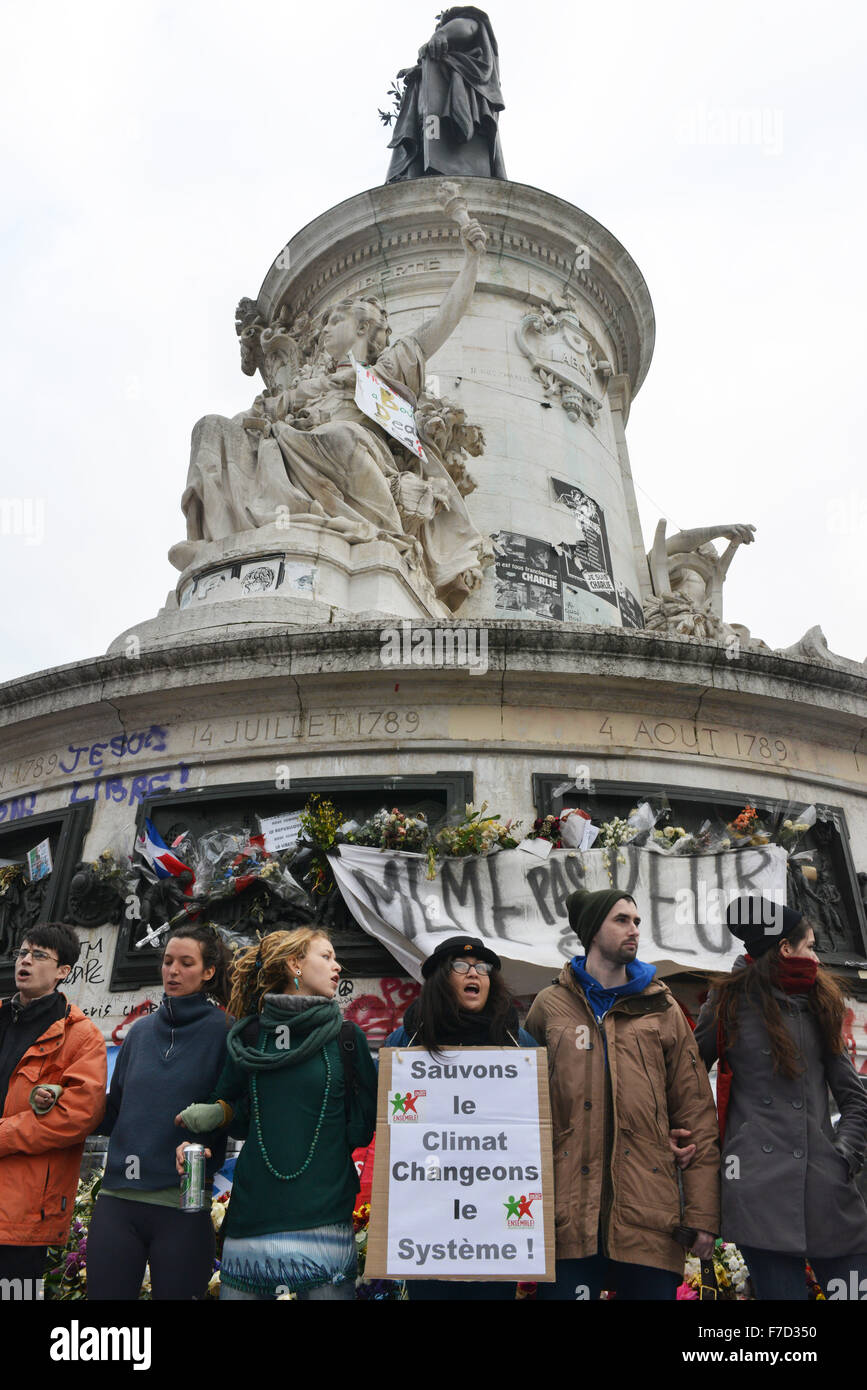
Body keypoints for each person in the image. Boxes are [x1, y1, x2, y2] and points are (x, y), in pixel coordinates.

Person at [525, 889, 720, 1300]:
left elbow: (696, 1113)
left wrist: (703, 1214)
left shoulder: (663, 1009)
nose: (634, 929)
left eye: (636, 921)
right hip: (568, 1220)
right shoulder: (549, 1007)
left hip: (648, 1220)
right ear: (593, 930)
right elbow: (523, 1110)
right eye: (622, 920)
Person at [177, 927, 377, 1301]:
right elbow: (232, 1110)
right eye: (326, 956)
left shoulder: (347, 1038)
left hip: (325, 1218)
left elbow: (364, 1127)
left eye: (336, 959)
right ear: (294, 965)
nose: (338, 966)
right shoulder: (251, 1035)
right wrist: (208, 1120)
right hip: (253, 1214)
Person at [695, 896, 867, 1300]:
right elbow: (687, 1082)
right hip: (759, 1192)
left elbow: (855, 1099)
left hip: (826, 1184)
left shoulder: (821, 1003)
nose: (818, 959)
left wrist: (845, 1156)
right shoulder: (727, 1002)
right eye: (810, 946)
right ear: (785, 949)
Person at [384, 934, 537, 1300]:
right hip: (427, 1220)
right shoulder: (404, 1043)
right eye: (462, 966)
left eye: (483, 968)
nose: (475, 973)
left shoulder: (521, 1046)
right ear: (440, 977)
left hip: (495, 1223)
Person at [85, 923, 232, 1300]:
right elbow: (113, 1111)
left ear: (209, 971)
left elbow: (237, 1107)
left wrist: (217, 1113)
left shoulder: (226, 1032)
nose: (173, 971)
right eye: (168, 962)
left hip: (183, 1201)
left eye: (186, 963)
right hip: (118, 1199)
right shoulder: (139, 1032)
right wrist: (69, 1099)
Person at [0, 924, 106, 1295]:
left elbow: (77, 1115)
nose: (25, 961)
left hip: (22, 1213)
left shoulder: (81, 1035)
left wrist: (4, 1135)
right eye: (22, 953)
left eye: (39, 955)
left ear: (64, 971)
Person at [386, 8, 506, 182]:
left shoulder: (470, 25)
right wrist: (418, 72)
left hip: (462, 120)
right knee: (427, 129)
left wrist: (442, 34)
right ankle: (413, 168)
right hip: (431, 122)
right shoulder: (439, 67)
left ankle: (437, 165)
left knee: (437, 129)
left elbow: (468, 27)